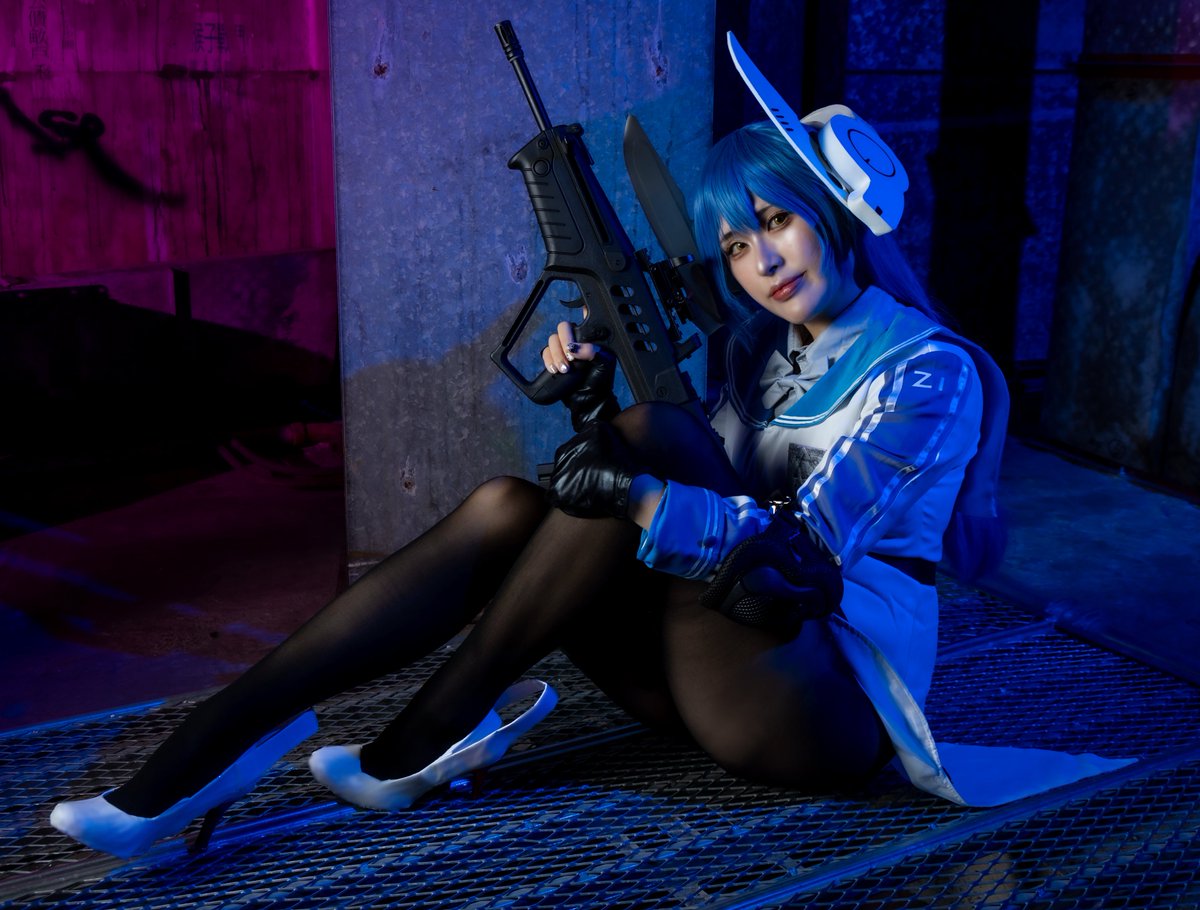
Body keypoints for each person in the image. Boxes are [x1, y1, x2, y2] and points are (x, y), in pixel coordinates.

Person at [50, 105, 1121, 860]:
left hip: (819, 711)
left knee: (654, 435)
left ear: (834, 213)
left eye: (777, 222)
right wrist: (595, 413)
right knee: (513, 504)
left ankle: (425, 733)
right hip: (705, 679)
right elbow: (674, 505)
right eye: (736, 246)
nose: (763, 262)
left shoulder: (927, 370)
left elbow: (800, 552)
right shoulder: (765, 357)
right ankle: (228, 734)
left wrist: (639, 480)